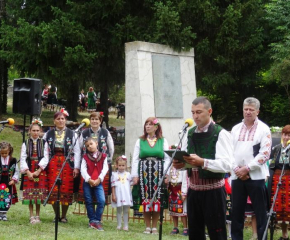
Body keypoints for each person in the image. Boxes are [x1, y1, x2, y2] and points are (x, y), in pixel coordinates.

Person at [173, 96, 233, 240]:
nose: (195, 116)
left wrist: (203, 162)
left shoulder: (220, 133)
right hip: (194, 191)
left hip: (214, 192)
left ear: (209, 111)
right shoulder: (190, 133)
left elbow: (227, 164)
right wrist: (180, 164)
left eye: (199, 112)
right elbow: (188, 159)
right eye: (193, 112)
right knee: (195, 233)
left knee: (217, 232)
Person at [231, 97, 271, 240]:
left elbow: (265, 153)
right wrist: (237, 169)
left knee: (260, 212)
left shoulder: (264, 129)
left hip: (256, 176)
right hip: (236, 176)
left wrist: (247, 168)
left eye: (251, 109)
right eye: (246, 109)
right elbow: (228, 152)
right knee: (236, 212)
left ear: (257, 111)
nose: (248, 112)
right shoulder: (235, 129)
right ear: (242, 110)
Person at [131, 117, 170, 234]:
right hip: (144, 173)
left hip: (158, 173)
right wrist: (135, 175)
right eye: (146, 124)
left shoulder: (163, 140)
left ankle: (154, 227)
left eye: (150, 124)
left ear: (156, 127)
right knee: (145, 199)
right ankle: (147, 226)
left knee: (157, 199)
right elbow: (135, 159)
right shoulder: (140, 141)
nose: (147, 126)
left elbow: (167, 158)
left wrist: (166, 174)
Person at [42, 108, 81, 223]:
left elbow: (77, 151)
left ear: (66, 120)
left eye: (62, 119)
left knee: (66, 189)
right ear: (54, 121)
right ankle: (56, 215)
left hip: (67, 163)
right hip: (52, 163)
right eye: (58, 119)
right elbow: (44, 150)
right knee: (54, 189)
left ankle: (63, 216)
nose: (60, 121)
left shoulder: (72, 134)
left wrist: (76, 167)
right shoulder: (48, 134)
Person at [79, 112, 114, 201]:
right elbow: (79, 147)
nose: (94, 121)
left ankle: (100, 212)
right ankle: (90, 212)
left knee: (102, 189)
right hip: (88, 163)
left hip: (102, 163)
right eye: (92, 119)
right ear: (90, 121)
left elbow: (111, 148)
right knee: (88, 189)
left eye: (96, 119)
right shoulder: (84, 132)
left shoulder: (105, 132)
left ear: (100, 121)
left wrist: (108, 159)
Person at [20, 119, 49, 224]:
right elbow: (23, 157)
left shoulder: (44, 143)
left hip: (40, 169)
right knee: (30, 193)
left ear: (40, 131)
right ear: (30, 131)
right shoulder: (26, 143)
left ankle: (38, 215)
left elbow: (46, 157)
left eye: (37, 130)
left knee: (39, 193)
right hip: (29, 167)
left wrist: (39, 170)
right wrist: (27, 172)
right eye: (34, 130)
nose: (36, 133)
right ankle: (31, 215)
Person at [268, 125, 290, 240]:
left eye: (289, 135)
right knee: (280, 209)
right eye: (285, 134)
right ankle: (284, 235)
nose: (286, 137)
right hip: (278, 180)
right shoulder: (276, 148)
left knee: (289, 208)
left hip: (289, 180)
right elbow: (272, 164)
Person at [81, 137, 108, 231]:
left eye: (91, 144)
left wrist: (99, 179)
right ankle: (91, 220)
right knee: (88, 201)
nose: (90, 147)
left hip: (98, 182)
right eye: (87, 146)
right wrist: (89, 179)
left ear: (96, 143)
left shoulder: (104, 156)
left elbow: (105, 169)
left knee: (101, 200)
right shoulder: (85, 157)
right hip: (88, 182)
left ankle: (96, 220)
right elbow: (83, 169)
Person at [111, 155, 133, 231]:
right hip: (118, 195)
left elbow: (131, 184)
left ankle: (126, 225)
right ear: (116, 165)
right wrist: (113, 195)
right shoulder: (114, 174)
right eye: (119, 165)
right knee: (119, 210)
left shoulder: (128, 174)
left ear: (126, 165)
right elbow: (113, 185)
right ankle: (119, 225)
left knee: (126, 210)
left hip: (126, 195)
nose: (121, 167)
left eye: (123, 165)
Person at [0, 142, 19, 221]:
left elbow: (16, 171)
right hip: (0, 182)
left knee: (7, 197)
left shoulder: (13, 160)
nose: (4, 154)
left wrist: (14, 180)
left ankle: (4, 214)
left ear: (9, 151)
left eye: (6, 153)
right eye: (2, 153)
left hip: (8, 183)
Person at [168, 165, 188, 236]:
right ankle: (175, 227)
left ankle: (185, 228)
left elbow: (185, 180)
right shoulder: (170, 165)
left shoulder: (183, 166)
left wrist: (184, 192)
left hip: (180, 188)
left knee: (182, 209)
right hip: (171, 188)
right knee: (173, 208)